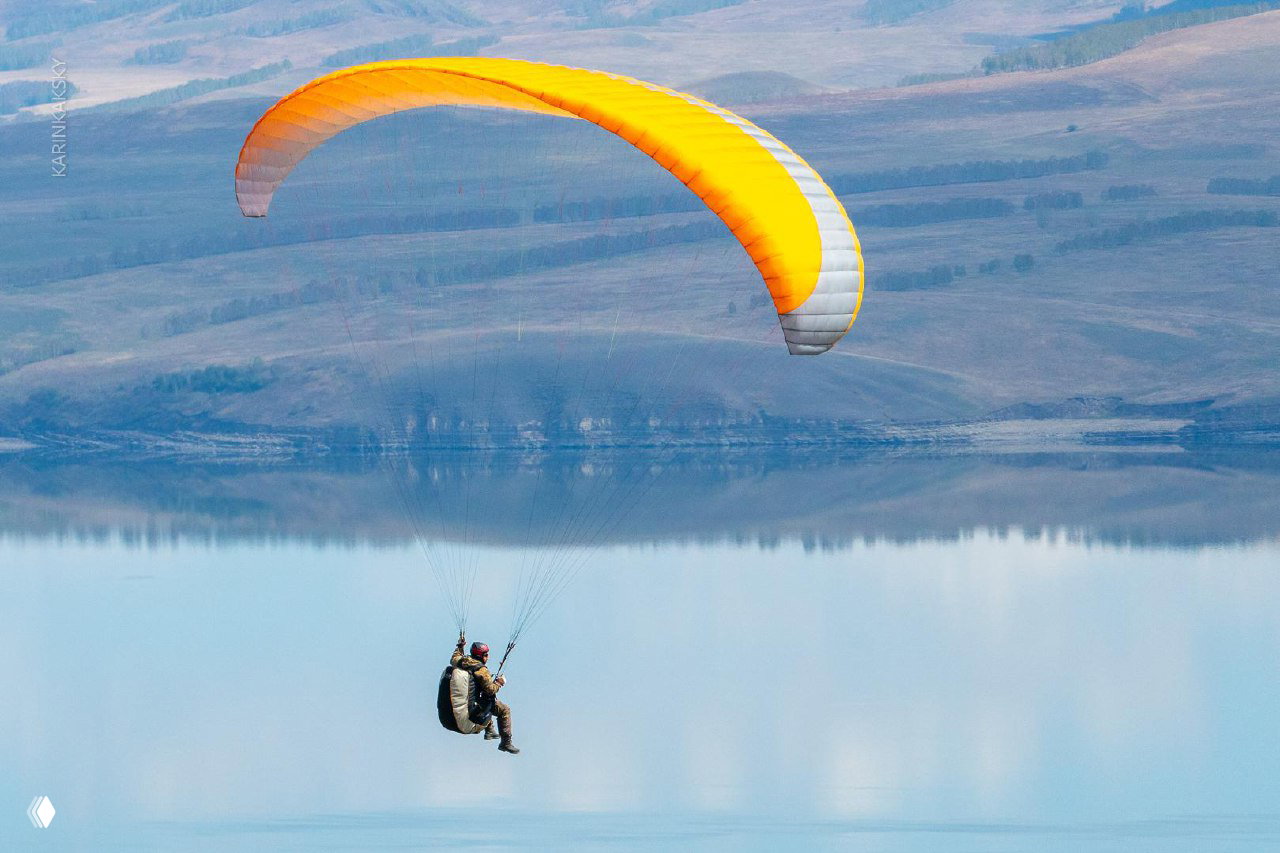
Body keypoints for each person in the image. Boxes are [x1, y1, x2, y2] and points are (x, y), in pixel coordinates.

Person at [452, 633, 519, 754]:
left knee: (487, 703)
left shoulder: (463, 661)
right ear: (480, 656)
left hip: (470, 698)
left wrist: (460, 647)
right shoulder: (481, 670)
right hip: (477, 701)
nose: (488, 657)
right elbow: (490, 689)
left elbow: (454, 658)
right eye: (486, 655)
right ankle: (506, 743)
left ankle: (490, 730)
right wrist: (499, 683)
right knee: (504, 710)